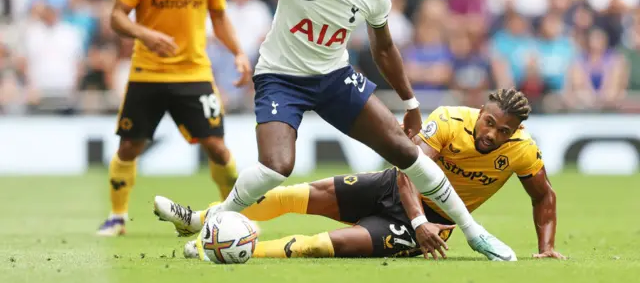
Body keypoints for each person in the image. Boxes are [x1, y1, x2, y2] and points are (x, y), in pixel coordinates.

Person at [128, 0, 515, 260]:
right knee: (278, 166)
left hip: (333, 77)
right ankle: (213, 225)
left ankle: (474, 233)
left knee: (406, 153)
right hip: (281, 77)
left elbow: (384, 49)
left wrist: (411, 103)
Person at [157, 89, 566, 261]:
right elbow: (409, 173)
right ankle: (198, 220)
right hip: (395, 190)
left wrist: (545, 246)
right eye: (490, 123)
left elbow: (543, 196)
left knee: (316, 247)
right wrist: (419, 219)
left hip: (433, 227)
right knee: (293, 195)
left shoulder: (521, 151)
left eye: (503, 131)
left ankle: (216, 248)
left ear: (515, 133)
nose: (491, 134)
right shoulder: (447, 120)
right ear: (482, 111)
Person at [97, 0, 252, 236]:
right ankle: (117, 217)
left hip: (194, 73)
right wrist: (144, 34)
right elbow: (116, 18)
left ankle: (235, 216)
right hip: (147, 73)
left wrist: (239, 52)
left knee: (217, 147)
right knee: (129, 146)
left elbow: (220, 18)